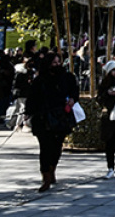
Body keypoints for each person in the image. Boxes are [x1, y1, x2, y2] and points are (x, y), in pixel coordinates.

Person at [26, 51, 79, 192]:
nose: (57, 65)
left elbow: (75, 91)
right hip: (42, 118)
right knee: (45, 148)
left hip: (61, 117)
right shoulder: (40, 80)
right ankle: (46, 176)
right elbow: (32, 98)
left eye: (58, 62)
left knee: (56, 147)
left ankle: (52, 168)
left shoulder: (67, 77)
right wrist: (28, 112)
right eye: (54, 63)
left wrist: (72, 99)